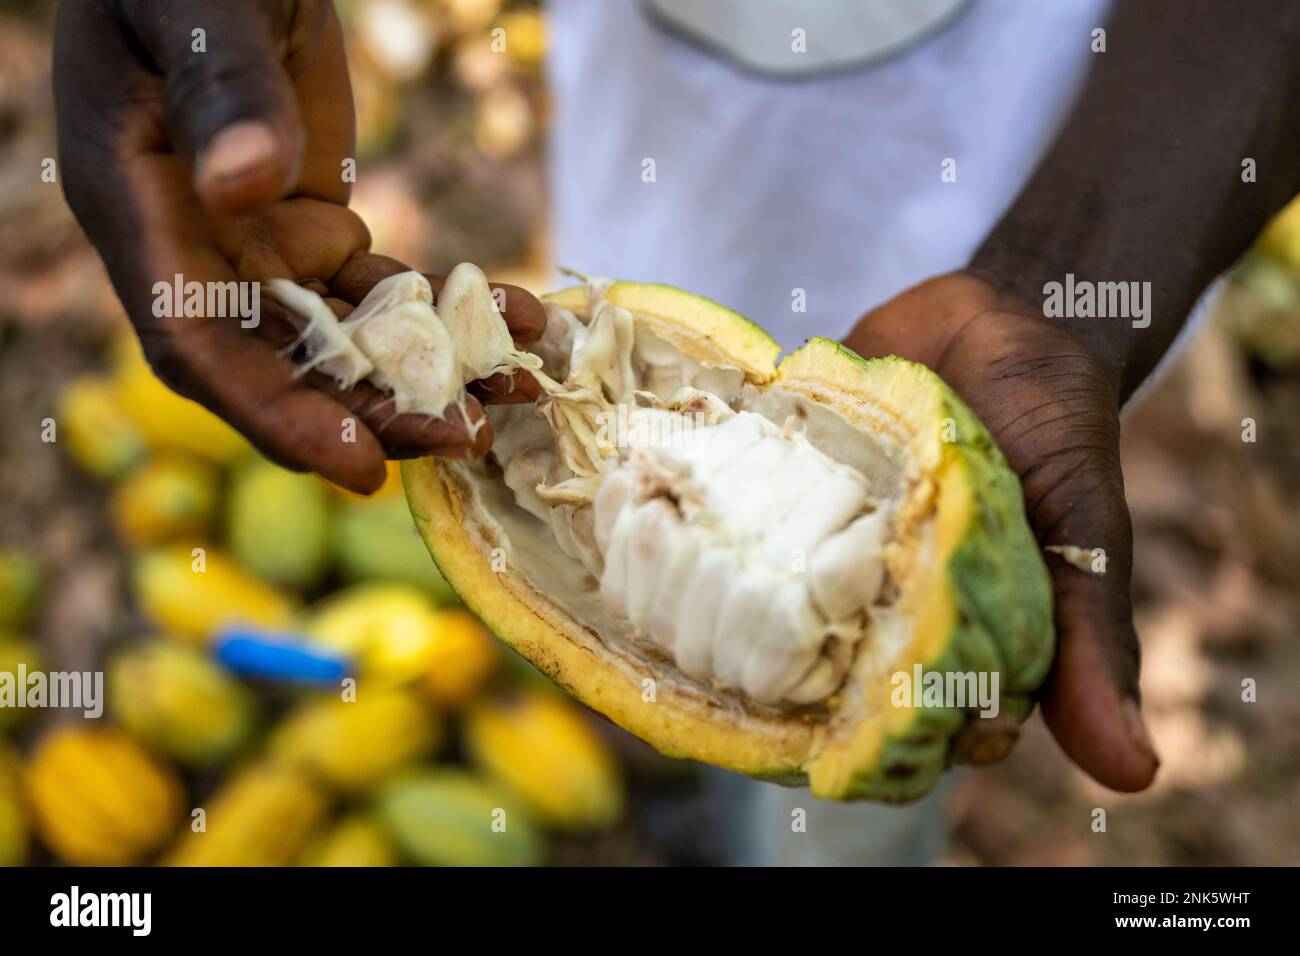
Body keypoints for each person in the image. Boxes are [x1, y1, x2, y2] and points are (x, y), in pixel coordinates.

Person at [52, 0, 1300, 863]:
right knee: (590, 401)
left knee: (861, 800)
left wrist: (1062, 276)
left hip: (1069, 162)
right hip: (678, 166)